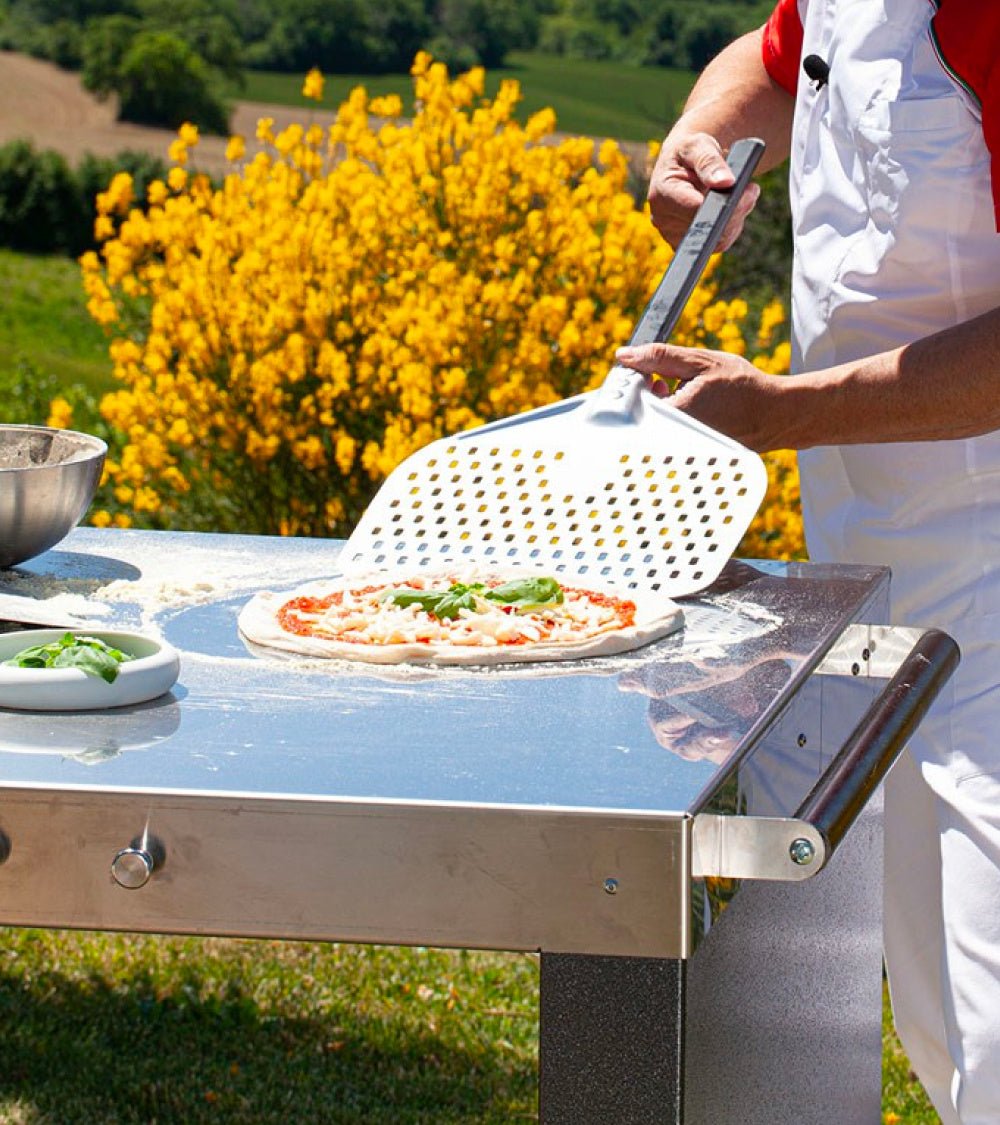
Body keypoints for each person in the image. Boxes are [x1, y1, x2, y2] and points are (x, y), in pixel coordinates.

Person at [614, 3, 1000, 1122]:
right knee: (931, 1003)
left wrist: (780, 413)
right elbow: (784, 61)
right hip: (875, 557)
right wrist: (699, 137)